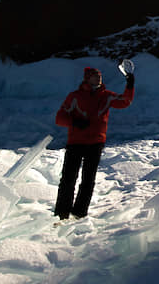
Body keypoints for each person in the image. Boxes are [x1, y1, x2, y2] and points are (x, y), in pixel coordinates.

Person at [54, 66, 135, 219]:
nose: (98, 78)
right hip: (76, 143)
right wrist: (75, 122)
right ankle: (61, 214)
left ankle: (79, 213)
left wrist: (130, 85)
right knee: (68, 179)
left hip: (95, 143)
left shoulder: (107, 96)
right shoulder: (75, 96)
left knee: (88, 180)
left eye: (99, 75)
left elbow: (125, 101)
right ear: (87, 78)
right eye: (94, 76)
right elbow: (59, 118)